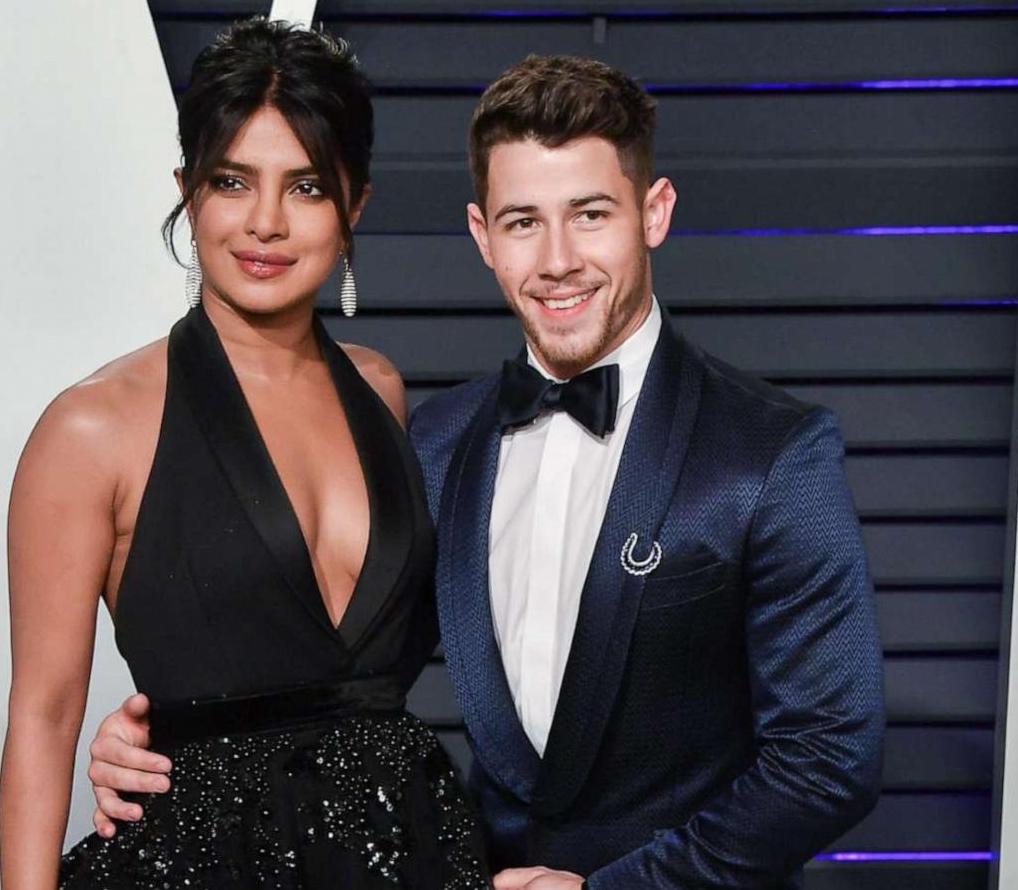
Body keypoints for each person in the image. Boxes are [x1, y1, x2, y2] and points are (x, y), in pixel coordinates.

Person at [84, 54, 886, 889]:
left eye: (590, 214)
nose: (558, 259)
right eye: (522, 222)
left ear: (654, 212)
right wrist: (168, 739)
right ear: (481, 237)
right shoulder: (433, 442)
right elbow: (332, 682)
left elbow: (830, 758)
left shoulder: (773, 453)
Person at [0, 18, 490, 889]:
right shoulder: (89, 431)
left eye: (305, 187)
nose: (265, 223)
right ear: (188, 193)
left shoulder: (379, 389)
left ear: (355, 205)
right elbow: (42, 720)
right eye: (233, 181)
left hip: (407, 848)